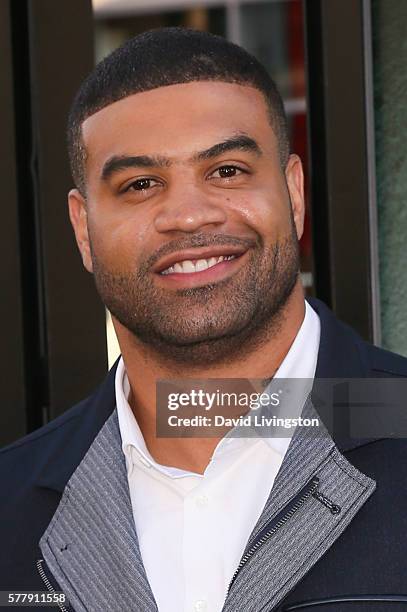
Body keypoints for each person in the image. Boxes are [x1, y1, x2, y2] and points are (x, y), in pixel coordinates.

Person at [1, 27, 407, 612]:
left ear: (293, 194)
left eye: (227, 171)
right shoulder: (11, 503)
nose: (189, 217)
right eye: (140, 185)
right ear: (83, 230)